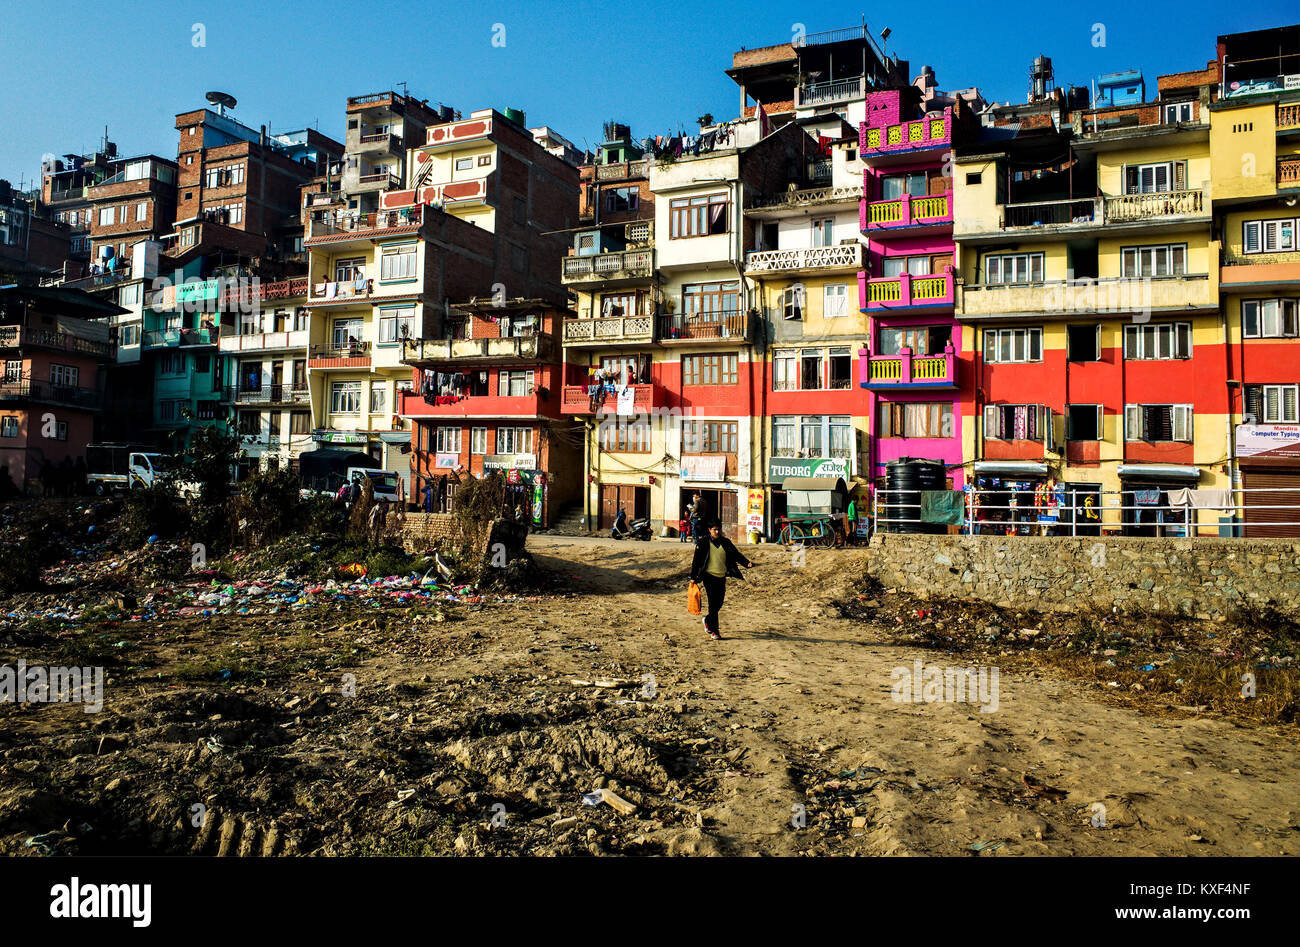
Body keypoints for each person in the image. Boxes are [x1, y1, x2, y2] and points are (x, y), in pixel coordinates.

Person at [689, 518, 752, 640]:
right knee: (713, 604)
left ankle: (707, 620)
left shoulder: (725, 542)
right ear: (709, 530)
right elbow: (696, 561)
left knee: (719, 603)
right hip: (708, 576)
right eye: (714, 530)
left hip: (721, 576)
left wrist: (746, 563)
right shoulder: (703, 543)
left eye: (718, 529)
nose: (717, 532)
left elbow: (736, 554)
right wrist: (693, 577)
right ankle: (715, 631)